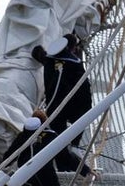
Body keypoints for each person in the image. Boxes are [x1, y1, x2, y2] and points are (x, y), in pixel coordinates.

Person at [31, 35, 93, 176]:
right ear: (72, 48)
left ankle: (65, 169)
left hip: (54, 108)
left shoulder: (49, 61)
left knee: (57, 141)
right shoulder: (74, 63)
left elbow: (39, 55)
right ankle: (75, 150)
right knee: (64, 141)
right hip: (69, 106)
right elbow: (83, 92)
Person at [5, 111, 59, 186]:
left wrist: (3, 165)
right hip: (45, 172)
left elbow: (11, 153)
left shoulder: (22, 136)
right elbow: (62, 155)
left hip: (24, 172)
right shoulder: (50, 135)